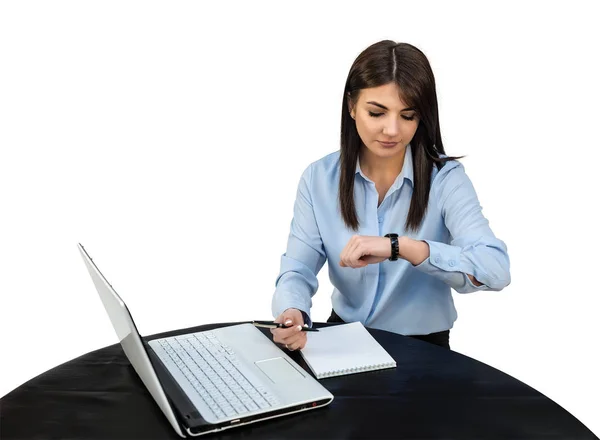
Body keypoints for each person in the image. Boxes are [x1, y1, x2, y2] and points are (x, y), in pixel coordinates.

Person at [270, 40, 510, 351]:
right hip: (341, 337)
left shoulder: (445, 180)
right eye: (377, 112)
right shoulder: (319, 178)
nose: (392, 130)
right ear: (352, 106)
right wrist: (292, 312)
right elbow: (298, 270)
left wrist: (402, 247)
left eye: (407, 115)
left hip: (423, 350)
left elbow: (495, 268)